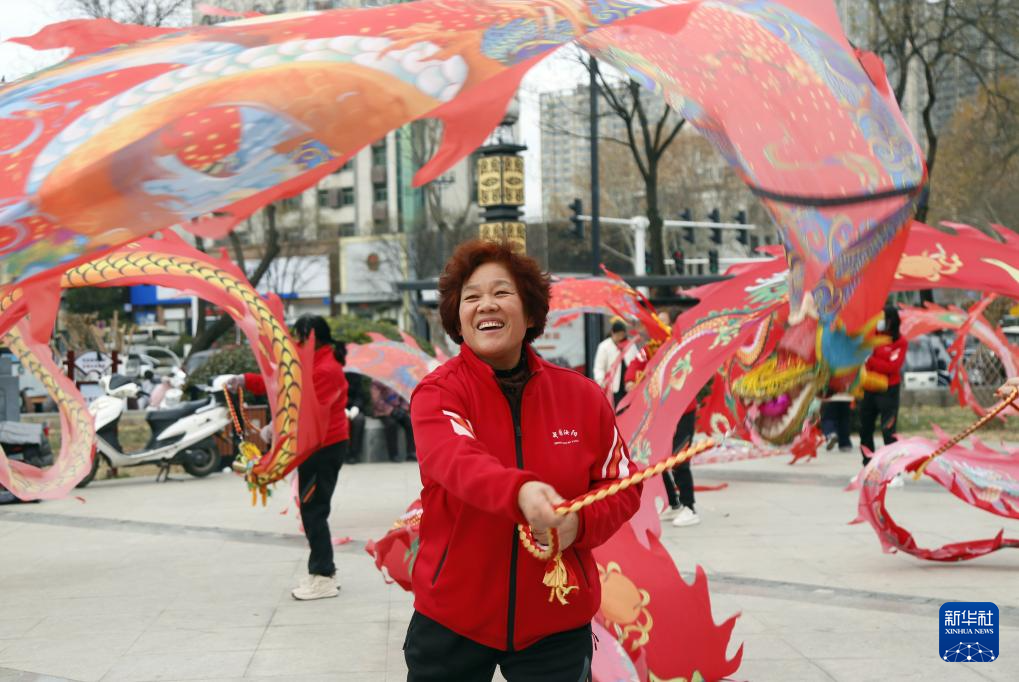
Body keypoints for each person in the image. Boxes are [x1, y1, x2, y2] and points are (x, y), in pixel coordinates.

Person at [405, 240, 641, 682]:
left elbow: (623, 485)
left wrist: (578, 524)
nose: (486, 304)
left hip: (555, 617)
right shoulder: (438, 394)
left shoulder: (582, 397)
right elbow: (457, 460)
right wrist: (521, 492)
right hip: (452, 618)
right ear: (458, 318)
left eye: (502, 292)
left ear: (530, 313)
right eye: (471, 297)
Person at [227, 314, 349, 600]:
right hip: (314, 446)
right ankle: (323, 571)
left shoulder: (325, 370)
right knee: (311, 509)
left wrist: (275, 428)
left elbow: (302, 407)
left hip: (323, 448)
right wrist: (245, 380)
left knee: (314, 510)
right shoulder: (312, 363)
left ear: (311, 337)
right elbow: (282, 383)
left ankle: (323, 577)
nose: (294, 342)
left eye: (299, 336)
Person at [858, 305, 906, 467]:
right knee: (865, 429)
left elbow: (892, 367)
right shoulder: (872, 337)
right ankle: (868, 465)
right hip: (869, 389)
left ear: (891, 321)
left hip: (888, 390)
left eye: (882, 319)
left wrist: (870, 359)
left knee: (888, 431)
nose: (879, 322)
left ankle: (893, 469)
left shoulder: (900, 342)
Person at [593, 317, 640, 406]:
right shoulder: (604, 346)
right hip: (613, 386)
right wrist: (600, 381)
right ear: (612, 333)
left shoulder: (630, 344)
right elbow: (599, 367)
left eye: (622, 335)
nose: (620, 337)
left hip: (629, 384)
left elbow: (637, 361)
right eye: (618, 335)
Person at [371, 380, 416, 462]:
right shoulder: (377, 381)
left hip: (398, 409)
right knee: (391, 424)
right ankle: (393, 454)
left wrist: (403, 408)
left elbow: (404, 395)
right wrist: (391, 410)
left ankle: (411, 452)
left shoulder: (397, 379)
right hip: (383, 412)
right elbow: (376, 400)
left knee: (410, 423)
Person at [345, 372, 368, 464]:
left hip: (353, 407)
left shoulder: (355, 376)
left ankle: (354, 454)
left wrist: (356, 407)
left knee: (359, 420)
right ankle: (343, 453)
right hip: (338, 407)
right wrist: (341, 407)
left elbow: (360, 395)